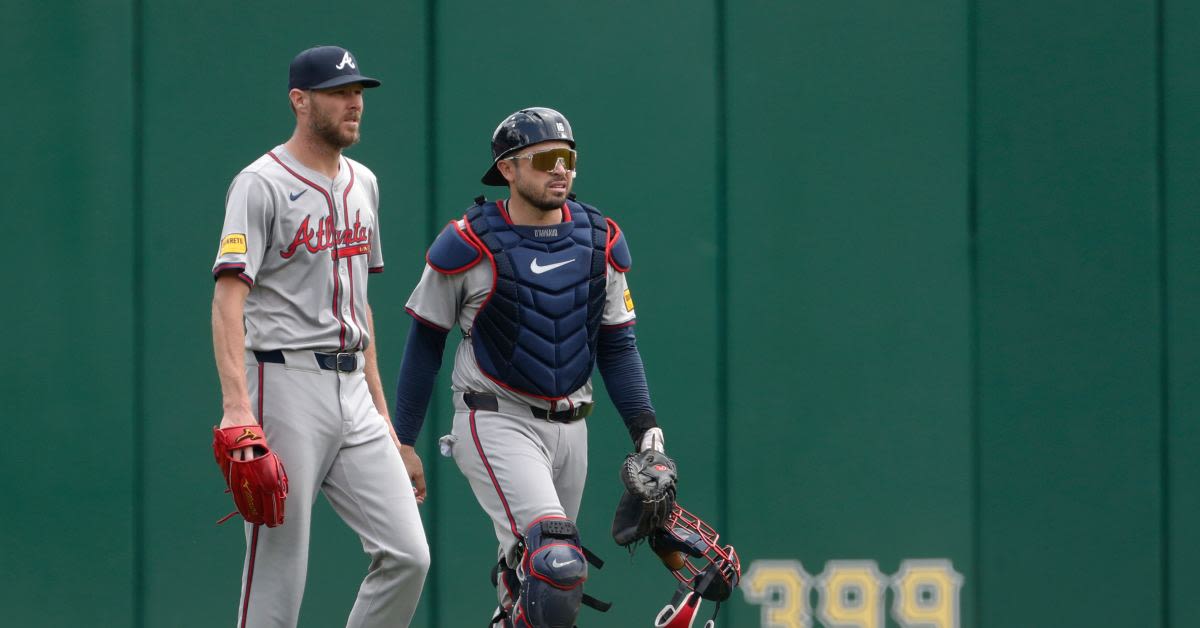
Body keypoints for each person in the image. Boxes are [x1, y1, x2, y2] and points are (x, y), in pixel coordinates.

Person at [392, 107, 667, 627]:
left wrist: (646, 428)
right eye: (545, 159)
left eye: (569, 159)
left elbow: (617, 344)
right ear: (509, 170)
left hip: (571, 428)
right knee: (556, 562)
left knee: (533, 587)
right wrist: (402, 440)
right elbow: (425, 341)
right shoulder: (469, 242)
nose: (560, 170)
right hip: (495, 418)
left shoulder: (599, 238)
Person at [210, 45, 429, 628]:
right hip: (283, 383)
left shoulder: (365, 183)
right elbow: (228, 299)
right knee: (278, 575)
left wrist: (389, 425)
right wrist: (237, 410)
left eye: (358, 91)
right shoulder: (260, 183)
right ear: (300, 101)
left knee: (409, 554)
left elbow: (361, 306)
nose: (354, 103)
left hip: (353, 386)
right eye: (339, 92)